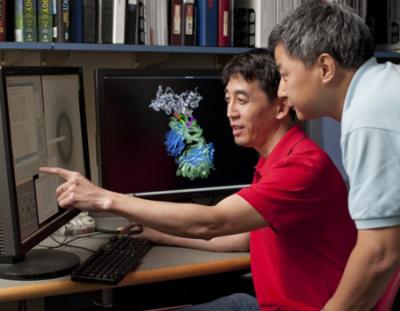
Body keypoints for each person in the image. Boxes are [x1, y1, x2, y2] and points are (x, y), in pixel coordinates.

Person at [40, 49, 357, 311]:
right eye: (228, 99)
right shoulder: (274, 159)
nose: (230, 112)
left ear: (281, 105)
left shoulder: (300, 167)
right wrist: (161, 235)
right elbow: (246, 237)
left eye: (242, 100)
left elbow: (212, 222)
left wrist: (103, 199)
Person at [268, 2, 400, 310]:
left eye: (285, 75)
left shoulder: (369, 113)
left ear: (325, 68)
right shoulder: (385, 86)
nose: (282, 92)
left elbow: (379, 255)